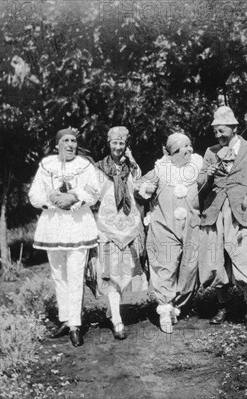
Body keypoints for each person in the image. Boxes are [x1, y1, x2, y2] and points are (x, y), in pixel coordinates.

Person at [197, 106, 247, 329]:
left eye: (222, 131)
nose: (218, 136)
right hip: (217, 212)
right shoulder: (210, 152)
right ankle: (223, 307)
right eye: (215, 132)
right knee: (218, 260)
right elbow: (200, 184)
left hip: (244, 212)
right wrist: (207, 176)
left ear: (234, 128)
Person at [28, 127, 100, 347]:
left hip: (77, 225)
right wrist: (51, 199)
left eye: (74, 141)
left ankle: (76, 326)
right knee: (59, 275)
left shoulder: (85, 165)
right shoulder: (46, 165)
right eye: (66, 140)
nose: (70, 144)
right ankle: (65, 319)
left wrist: (73, 197)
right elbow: (34, 194)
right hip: (53, 226)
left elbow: (94, 192)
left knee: (76, 275)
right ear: (57, 144)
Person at [86, 126, 148, 340]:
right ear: (108, 143)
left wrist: (132, 162)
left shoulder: (132, 167)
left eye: (122, 143)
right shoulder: (99, 169)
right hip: (108, 226)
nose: (118, 147)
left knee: (124, 271)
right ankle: (117, 321)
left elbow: (139, 190)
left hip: (129, 226)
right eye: (115, 143)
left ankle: (113, 311)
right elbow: (92, 196)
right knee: (110, 271)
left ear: (126, 145)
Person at [137, 131, 202, 334]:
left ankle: (178, 305)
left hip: (191, 226)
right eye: (184, 147)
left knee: (190, 268)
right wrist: (145, 189)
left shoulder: (198, 166)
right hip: (164, 226)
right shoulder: (160, 169)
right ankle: (164, 309)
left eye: (190, 145)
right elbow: (139, 186)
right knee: (165, 265)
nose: (189, 149)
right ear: (173, 152)